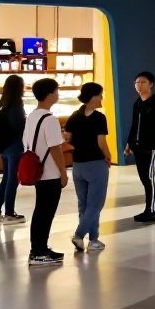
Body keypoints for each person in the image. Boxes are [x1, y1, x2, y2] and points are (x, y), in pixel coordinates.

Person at [22, 78, 68, 267]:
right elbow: (55, 148)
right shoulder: (50, 119)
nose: (57, 94)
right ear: (50, 94)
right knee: (46, 212)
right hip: (49, 173)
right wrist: (63, 172)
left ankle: (40, 248)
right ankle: (39, 251)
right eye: (56, 91)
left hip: (38, 171)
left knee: (41, 211)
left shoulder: (32, 116)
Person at [65, 83, 111, 253]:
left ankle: (94, 240)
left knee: (84, 204)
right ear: (92, 97)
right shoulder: (99, 118)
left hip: (78, 165)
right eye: (100, 95)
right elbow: (101, 143)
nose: (101, 98)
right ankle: (79, 235)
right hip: (95, 164)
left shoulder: (74, 116)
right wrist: (108, 156)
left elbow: (67, 139)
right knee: (95, 204)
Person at [123, 71, 155, 223]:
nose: (139, 85)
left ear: (150, 84)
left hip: (152, 147)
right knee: (144, 177)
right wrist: (129, 143)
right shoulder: (137, 103)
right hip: (138, 147)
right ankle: (148, 209)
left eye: (143, 82)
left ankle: (153, 211)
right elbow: (134, 125)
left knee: (150, 177)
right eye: (137, 82)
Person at [0, 74, 26, 223]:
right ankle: (10, 213)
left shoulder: (3, 104)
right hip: (15, 147)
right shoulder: (17, 107)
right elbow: (20, 127)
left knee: (6, 178)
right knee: (13, 180)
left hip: (4, 147)